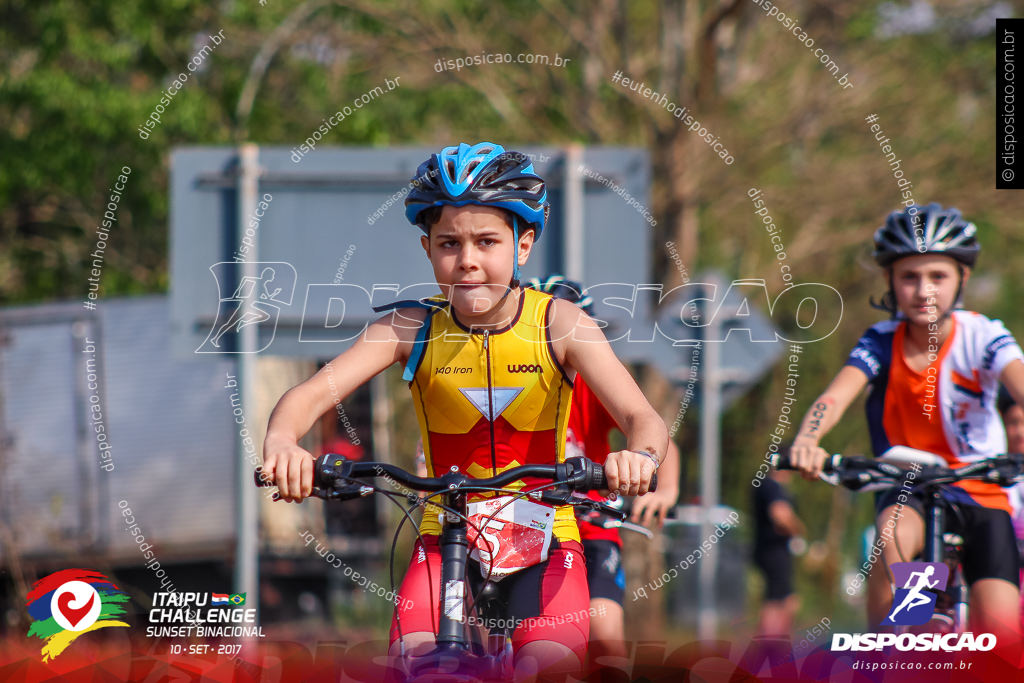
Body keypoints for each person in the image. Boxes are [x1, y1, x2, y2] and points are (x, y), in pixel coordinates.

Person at [261, 142, 669, 678]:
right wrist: (283, 444)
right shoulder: (408, 329)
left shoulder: (561, 324)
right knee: (414, 666)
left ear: (523, 245)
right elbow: (306, 397)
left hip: (546, 538)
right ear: (428, 249)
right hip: (444, 537)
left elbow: (646, 420)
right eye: (449, 243)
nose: (468, 260)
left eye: (487, 241)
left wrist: (638, 457)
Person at [787, 203, 1024, 638]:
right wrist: (808, 438)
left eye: (938, 276)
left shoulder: (984, 335)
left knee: (1004, 635)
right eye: (909, 277)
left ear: (962, 279)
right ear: (890, 282)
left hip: (982, 491)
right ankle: (898, 647)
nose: (923, 290)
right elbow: (834, 397)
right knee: (894, 534)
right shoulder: (880, 341)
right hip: (909, 484)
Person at [526, 274, 681, 663]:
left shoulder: (595, 390)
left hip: (591, 526)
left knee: (605, 634)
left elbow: (661, 438)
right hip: (520, 522)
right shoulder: (510, 383)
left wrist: (663, 488)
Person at [751, 467, 804, 637]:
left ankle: (776, 646)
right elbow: (780, 514)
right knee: (778, 601)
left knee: (787, 600)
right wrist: (798, 529)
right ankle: (770, 648)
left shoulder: (762, 485)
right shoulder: (773, 486)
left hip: (768, 549)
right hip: (775, 551)